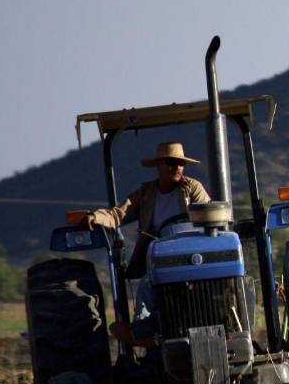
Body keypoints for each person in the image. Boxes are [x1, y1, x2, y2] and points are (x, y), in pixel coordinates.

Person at [83, 141, 212, 345]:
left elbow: (207, 214)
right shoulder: (146, 193)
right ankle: (142, 332)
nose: (177, 167)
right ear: (158, 166)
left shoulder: (192, 188)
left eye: (180, 163)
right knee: (147, 284)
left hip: (191, 254)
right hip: (159, 255)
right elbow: (119, 214)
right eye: (170, 163)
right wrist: (96, 217)